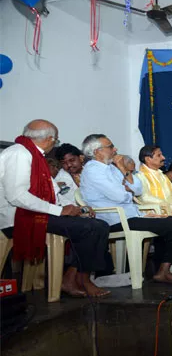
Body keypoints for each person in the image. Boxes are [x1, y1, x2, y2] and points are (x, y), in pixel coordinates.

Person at [80, 134, 172, 283]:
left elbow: (138, 189)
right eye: (110, 146)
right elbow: (120, 196)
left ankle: (167, 269)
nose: (115, 149)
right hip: (115, 219)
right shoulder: (93, 170)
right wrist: (127, 191)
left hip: (132, 214)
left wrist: (123, 170)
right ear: (97, 151)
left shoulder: (112, 168)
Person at [0, 120, 111, 297]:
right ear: (50, 139)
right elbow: (17, 197)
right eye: (56, 140)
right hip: (17, 216)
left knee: (99, 225)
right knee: (88, 228)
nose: (55, 144)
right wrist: (59, 211)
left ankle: (72, 277)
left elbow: (53, 195)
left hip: (35, 212)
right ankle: (82, 279)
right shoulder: (19, 154)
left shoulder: (35, 156)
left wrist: (75, 209)